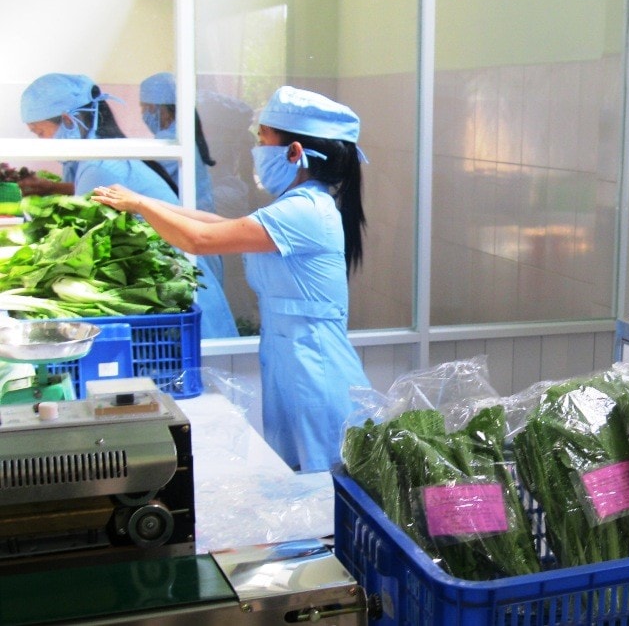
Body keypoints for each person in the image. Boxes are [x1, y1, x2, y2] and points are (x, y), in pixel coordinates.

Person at [94, 86, 373, 472]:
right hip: (292, 358)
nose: (256, 151)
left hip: (315, 367)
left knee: (323, 485)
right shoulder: (297, 205)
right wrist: (149, 204)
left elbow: (200, 240)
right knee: (300, 478)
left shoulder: (305, 211)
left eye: (263, 140)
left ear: (294, 152)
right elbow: (222, 226)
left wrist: (139, 203)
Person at [18, 72, 239, 340]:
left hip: (177, 287)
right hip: (175, 280)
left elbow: (82, 241)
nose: (42, 143)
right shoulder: (97, 158)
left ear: (68, 120)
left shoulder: (99, 164)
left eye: (41, 133)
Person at [140, 72, 225, 285]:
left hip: (194, 232)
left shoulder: (171, 142)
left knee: (202, 292)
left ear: (163, 109)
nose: (144, 114)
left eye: (147, 108)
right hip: (200, 228)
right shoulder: (182, 134)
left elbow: (137, 176)